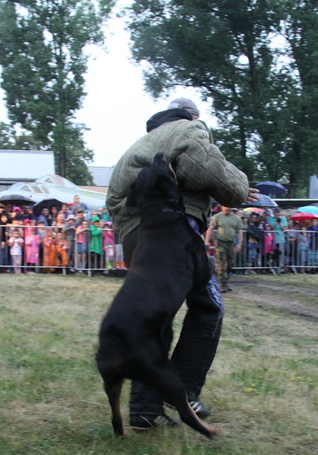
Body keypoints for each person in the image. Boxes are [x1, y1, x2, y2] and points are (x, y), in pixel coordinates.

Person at [105, 96, 251, 429]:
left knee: (155, 316)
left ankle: (145, 409)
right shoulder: (188, 127)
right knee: (209, 306)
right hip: (173, 230)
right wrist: (240, 185)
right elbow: (207, 169)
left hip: (136, 236)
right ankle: (181, 388)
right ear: (192, 115)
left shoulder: (141, 142)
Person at [207, 205, 243, 292]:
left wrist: (240, 244)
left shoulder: (236, 218)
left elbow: (240, 232)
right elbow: (210, 229)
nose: (227, 208)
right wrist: (207, 241)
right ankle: (223, 284)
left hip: (230, 243)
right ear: (222, 207)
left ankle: (226, 282)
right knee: (221, 263)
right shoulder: (217, 217)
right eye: (225, 206)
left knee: (230, 264)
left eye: (228, 206)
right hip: (220, 242)